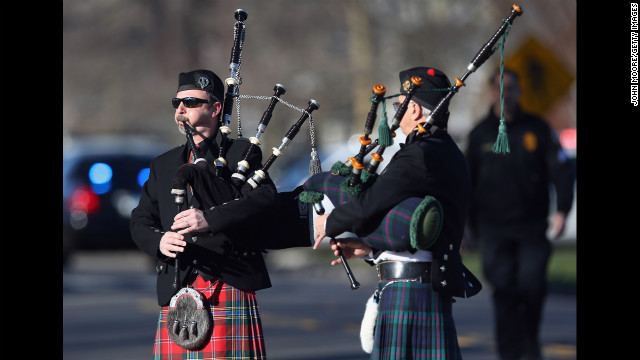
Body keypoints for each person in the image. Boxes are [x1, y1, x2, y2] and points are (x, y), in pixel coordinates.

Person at [313, 66, 481, 360]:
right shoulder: (448, 151)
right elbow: (413, 224)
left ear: (414, 109)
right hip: (425, 286)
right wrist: (370, 248)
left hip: (410, 293)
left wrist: (329, 222)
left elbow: (369, 204)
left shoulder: (420, 154)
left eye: (398, 104)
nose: (396, 111)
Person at [130, 69, 277, 359]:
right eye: (177, 102)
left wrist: (209, 220)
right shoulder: (164, 163)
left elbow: (265, 198)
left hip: (228, 281)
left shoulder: (241, 154)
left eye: (191, 102)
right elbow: (140, 220)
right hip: (178, 287)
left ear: (215, 108)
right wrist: (159, 242)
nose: (181, 108)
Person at [465, 67, 575, 360]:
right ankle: (510, 352)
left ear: (519, 91)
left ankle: (529, 343)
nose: (506, 95)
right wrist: (467, 227)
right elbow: (466, 182)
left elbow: (562, 171)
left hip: (531, 228)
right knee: (504, 293)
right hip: (493, 229)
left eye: (511, 88)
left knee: (532, 287)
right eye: (501, 89)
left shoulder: (537, 129)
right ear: (492, 93)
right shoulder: (479, 134)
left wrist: (562, 210)